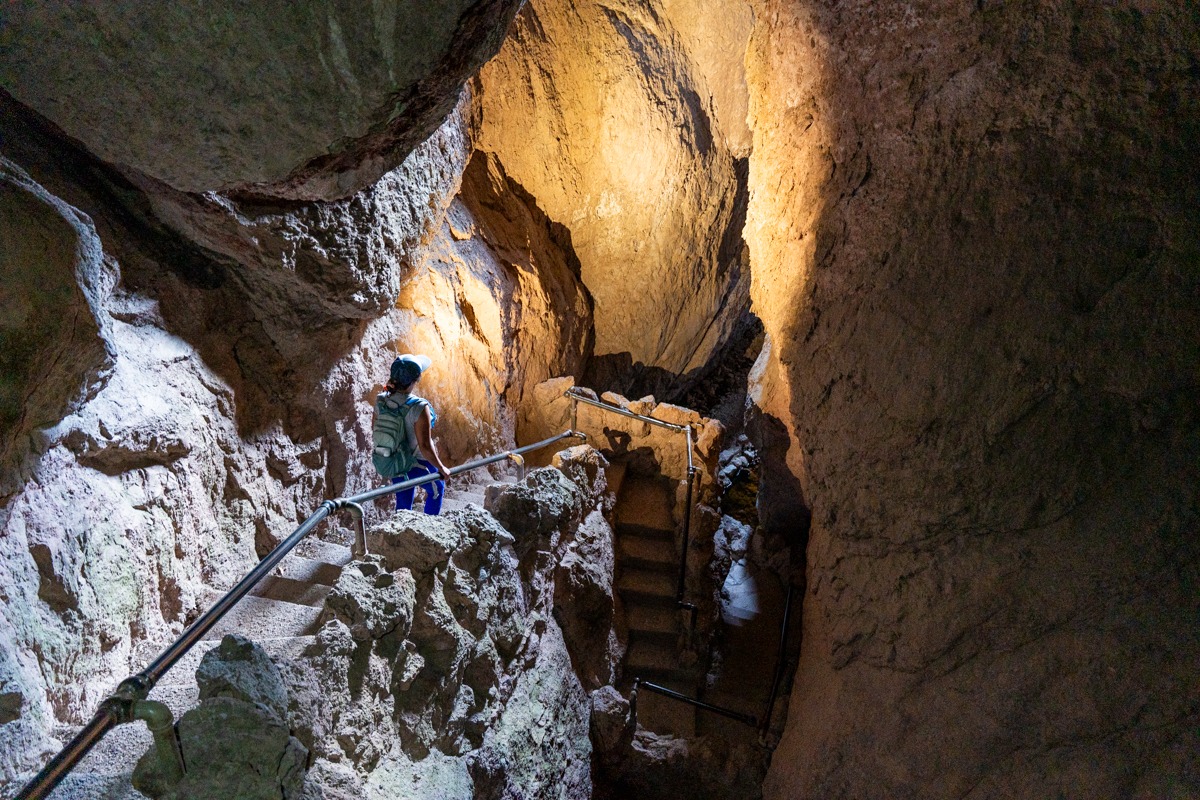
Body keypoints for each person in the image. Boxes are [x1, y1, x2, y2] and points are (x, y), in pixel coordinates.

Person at [377, 354, 452, 514]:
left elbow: (376, 430)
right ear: (415, 379)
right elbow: (425, 445)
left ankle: (401, 534)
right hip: (418, 463)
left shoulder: (381, 401)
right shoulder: (419, 406)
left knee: (403, 498)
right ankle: (429, 530)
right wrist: (441, 468)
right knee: (436, 490)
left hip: (394, 461)